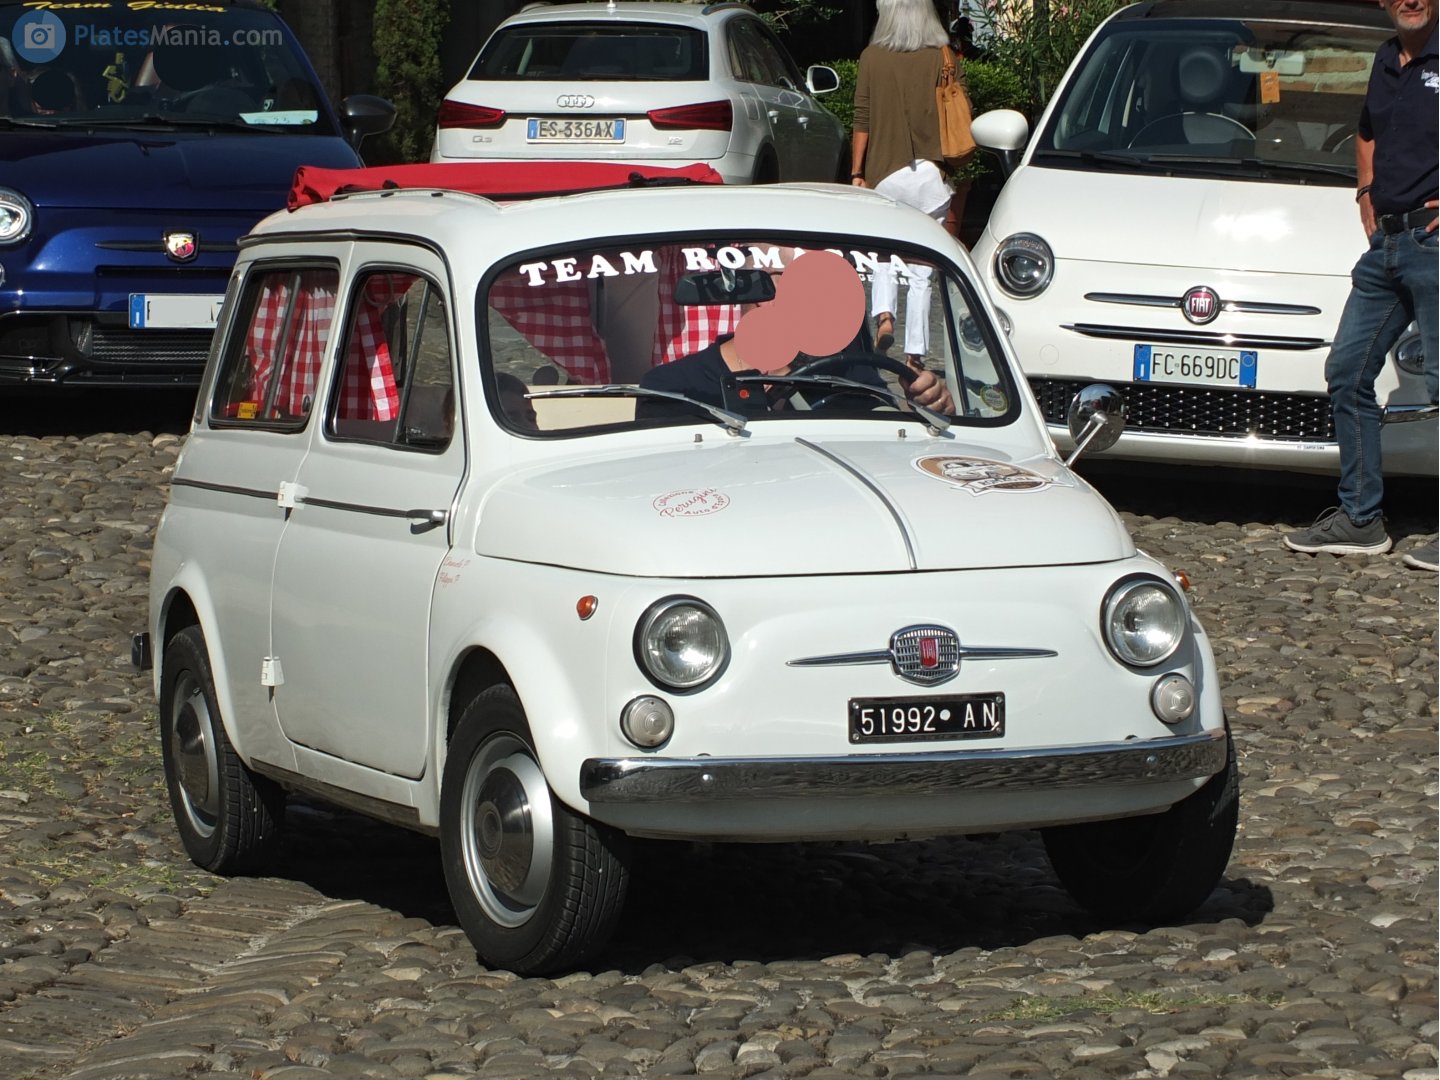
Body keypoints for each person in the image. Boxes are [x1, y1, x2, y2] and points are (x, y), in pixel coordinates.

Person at [1284, 0, 1437, 571]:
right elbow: (1367, 130)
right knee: (1347, 371)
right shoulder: (1383, 59)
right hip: (1388, 247)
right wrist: (1366, 193)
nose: (1411, 1)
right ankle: (1361, 518)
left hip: (1434, 244)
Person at [849, 0, 962, 375]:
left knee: (883, 254)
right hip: (930, 174)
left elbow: (862, 118)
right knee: (921, 270)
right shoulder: (941, 56)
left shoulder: (871, 57)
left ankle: (884, 315)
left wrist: (857, 171)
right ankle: (915, 354)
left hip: (885, 174)